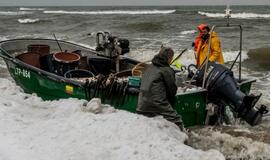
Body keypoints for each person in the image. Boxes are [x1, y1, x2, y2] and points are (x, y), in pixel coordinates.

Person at [136, 47, 183, 130]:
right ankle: (183, 141)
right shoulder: (167, 70)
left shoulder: (148, 67)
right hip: (158, 104)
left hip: (141, 105)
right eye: (171, 58)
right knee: (177, 121)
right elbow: (172, 91)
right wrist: (170, 106)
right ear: (169, 58)